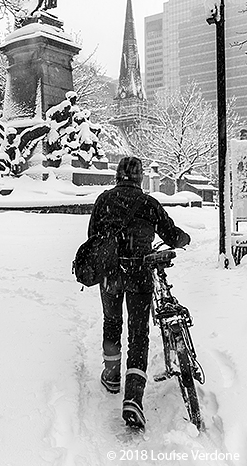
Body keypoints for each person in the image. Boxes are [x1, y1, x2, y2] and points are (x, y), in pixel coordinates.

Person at [88, 156, 190, 429]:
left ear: (117, 176)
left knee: (112, 322)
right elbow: (171, 234)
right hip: (139, 275)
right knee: (138, 333)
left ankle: (111, 375)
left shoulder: (104, 201)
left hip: (110, 274)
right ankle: (133, 397)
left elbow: (92, 237)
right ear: (140, 177)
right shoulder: (149, 204)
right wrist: (184, 239)